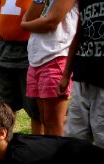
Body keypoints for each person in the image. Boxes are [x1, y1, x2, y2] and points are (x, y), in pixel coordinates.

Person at [21, 0, 78, 136]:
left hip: (56, 56)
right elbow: (30, 17)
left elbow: (50, 22)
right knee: (45, 119)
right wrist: (29, 23)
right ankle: (49, 154)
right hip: (36, 58)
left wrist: (25, 25)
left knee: (54, 122)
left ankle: (57, 155)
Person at [0, 0, 43, 135]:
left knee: (35, 109)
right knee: (4, 106)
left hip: (29, 49)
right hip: (5, 48)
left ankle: (38, 149)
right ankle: (5, 146)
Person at [57, 0, 104, 148]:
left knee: (101, 134)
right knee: (75, 135)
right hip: (82, 77)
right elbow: (78, 35)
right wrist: (66, 75)